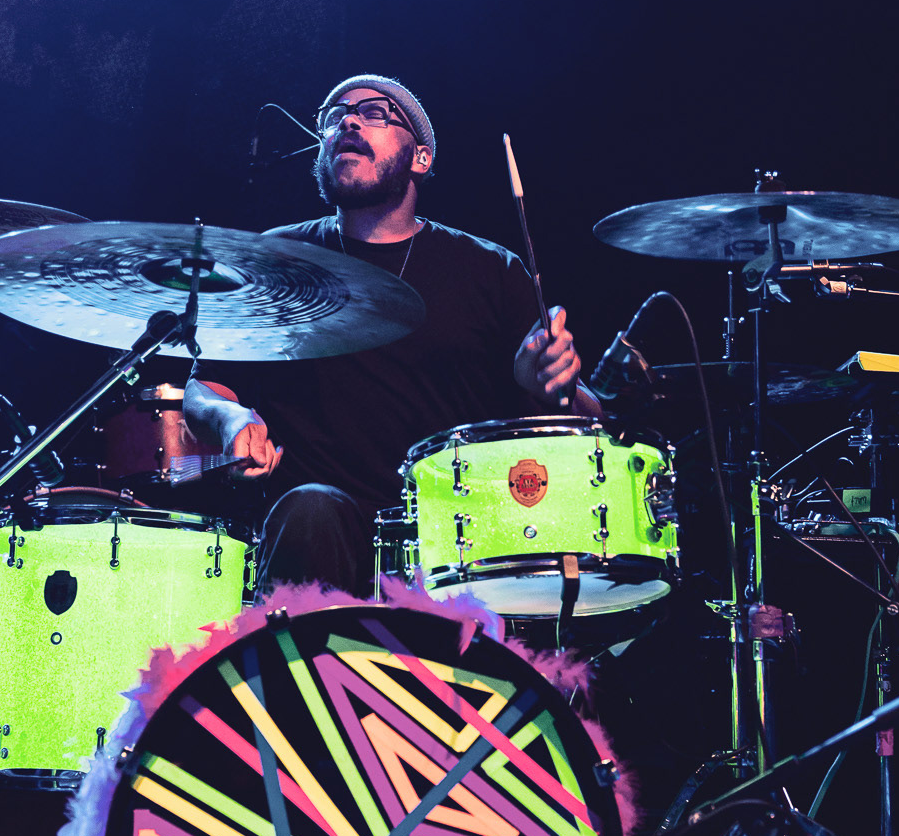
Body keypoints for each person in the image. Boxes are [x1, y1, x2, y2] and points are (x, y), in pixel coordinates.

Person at [182, 74, 599, 595]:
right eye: (335, 116)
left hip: (456, 542)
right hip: (316, 533)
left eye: (375, 112)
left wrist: (551, 387)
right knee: (313, 508)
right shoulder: (275, 260)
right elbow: (204, 388)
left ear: (421, 158)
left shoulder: (491, 270)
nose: (349, 122)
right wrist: (231, 417)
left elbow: (590, 425)